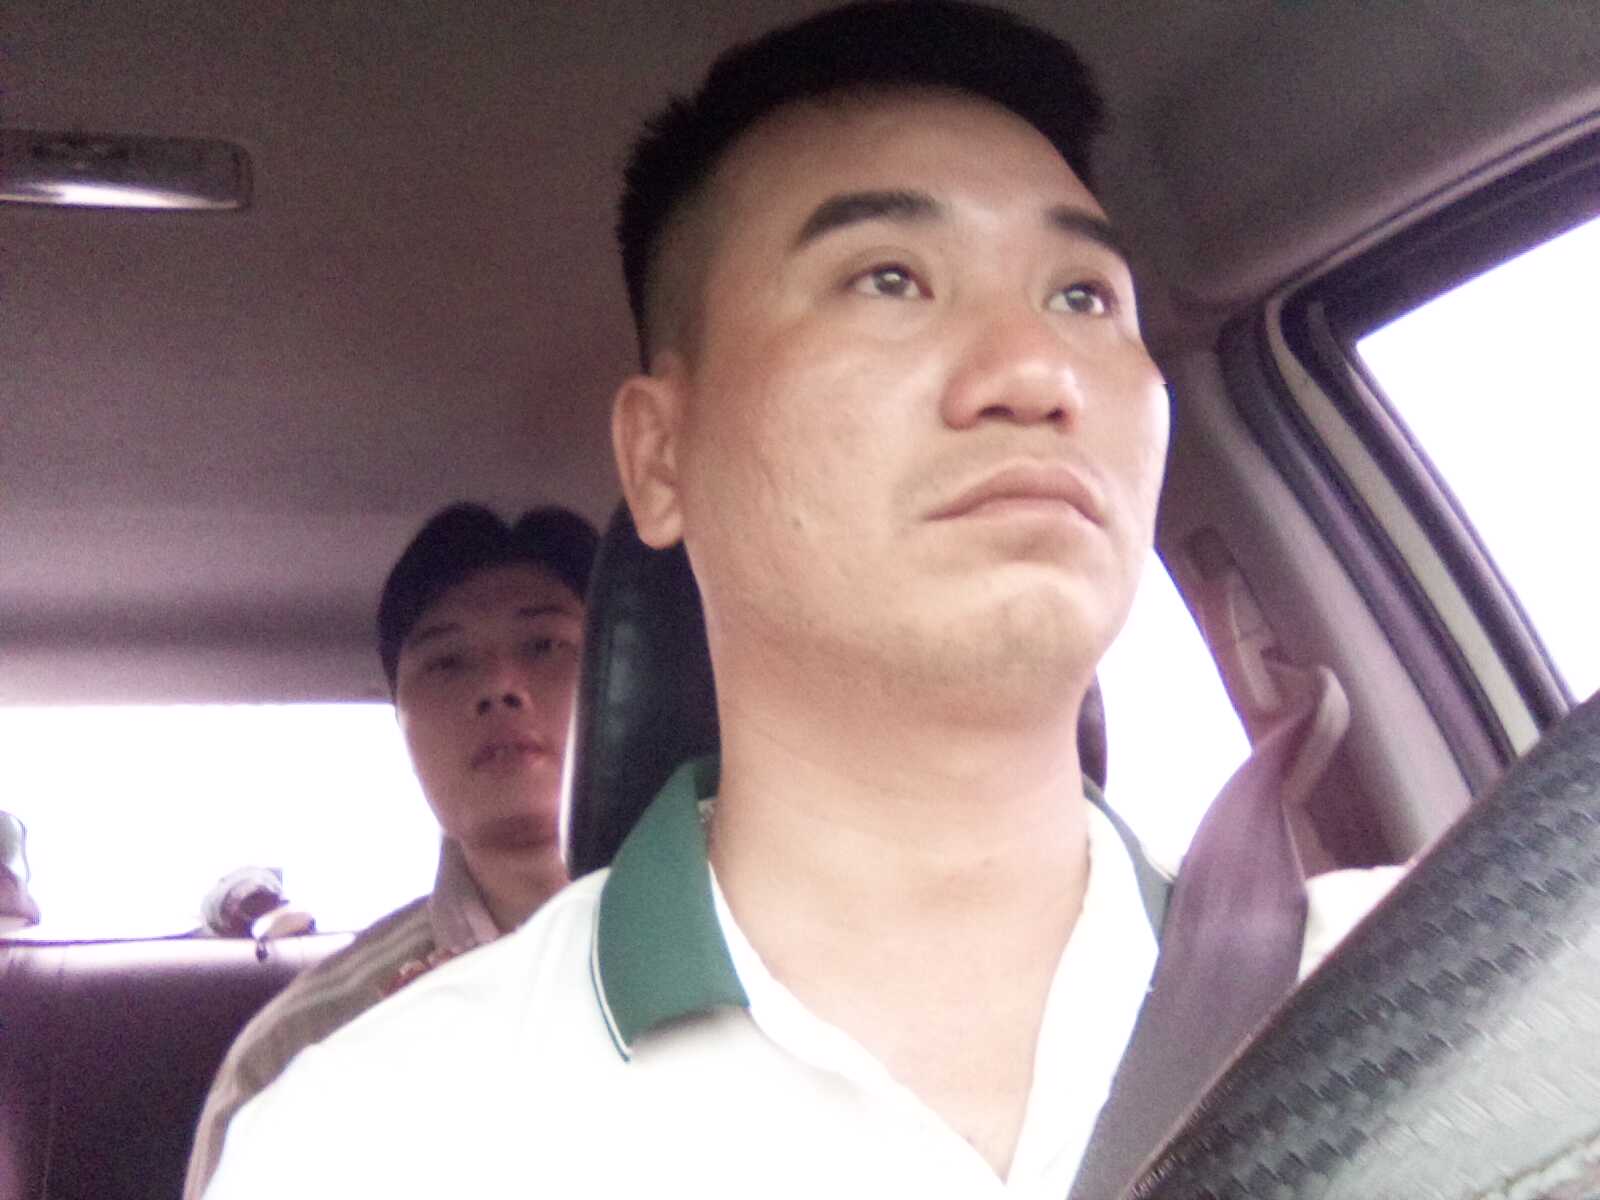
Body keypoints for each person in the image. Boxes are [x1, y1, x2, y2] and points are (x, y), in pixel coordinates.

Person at [204, 6, 1399, 1196]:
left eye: (1084, 297)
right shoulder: (366, 1139)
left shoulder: (1435, 996)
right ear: (661, 457)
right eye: (890, 279)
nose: (1035, 370)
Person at [185, 502, 596, 1199]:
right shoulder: (305, 1049)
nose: (499, 687)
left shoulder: (765, 960)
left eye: (545, 646)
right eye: (447, 662)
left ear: (625, 674)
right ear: (399, 716)